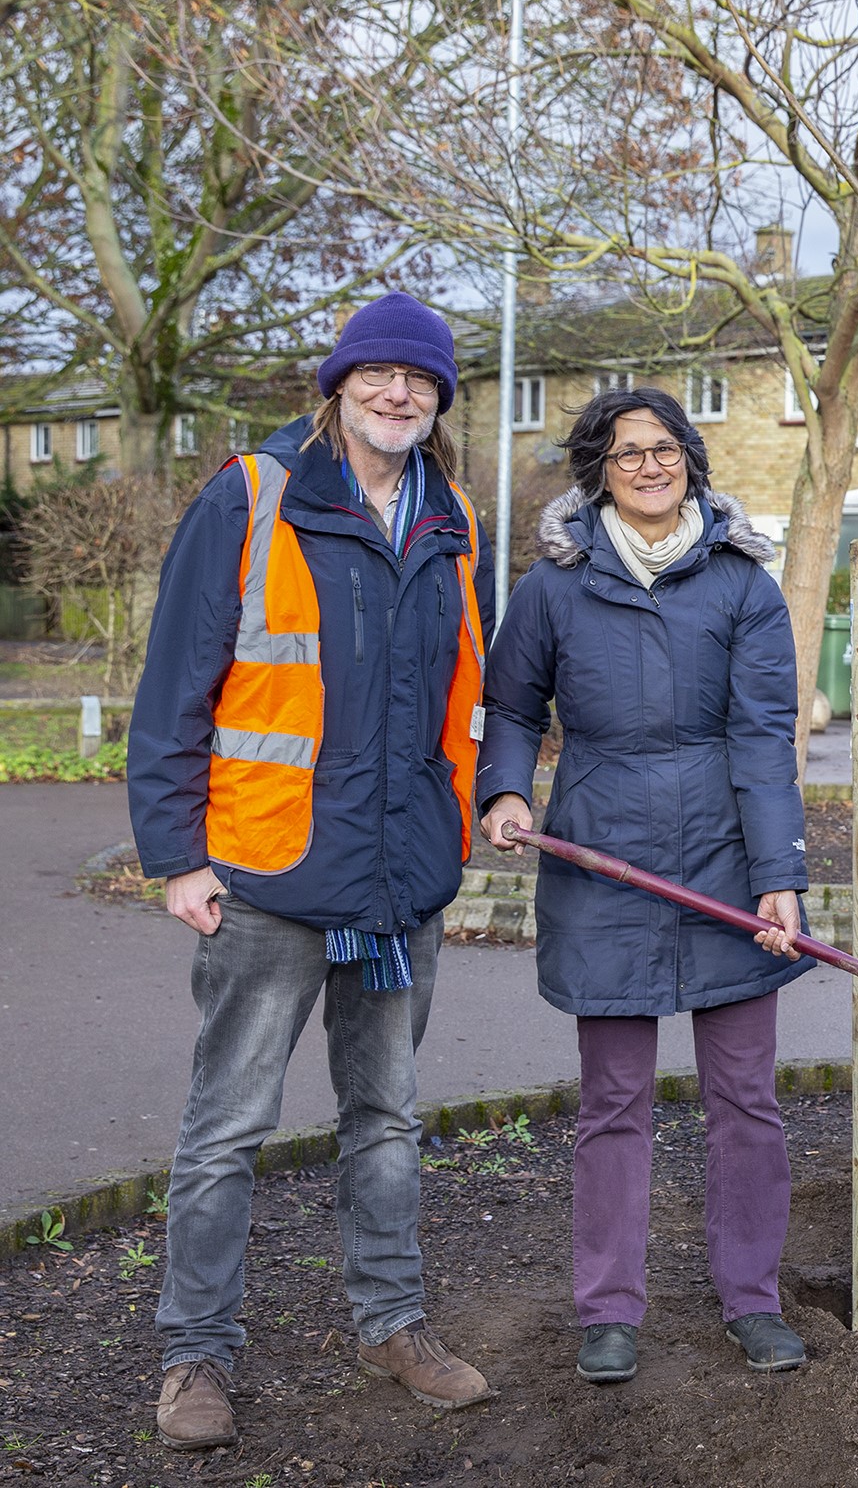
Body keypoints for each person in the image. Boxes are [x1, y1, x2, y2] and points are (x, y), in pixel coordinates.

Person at [127, 292, 495, 1451]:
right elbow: (174, 684)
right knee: (226, 1126)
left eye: (420, 380)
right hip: (267, 874)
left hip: (398, 884)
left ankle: (391, 1322)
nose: (399, 393)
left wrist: (465, 823)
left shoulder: (455, 518)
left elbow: (462, 695)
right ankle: (194, 1354)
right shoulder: (254, 494)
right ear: (339, 382)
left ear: (439, 400)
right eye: (379, 374)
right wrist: (174, 855)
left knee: (385, 1117)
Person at [476, 388, 812, 1386]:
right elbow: (510, 703)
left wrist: (778, 876)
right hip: (601, 856)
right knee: (613, 1097)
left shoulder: (742, 586)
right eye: (628, 453)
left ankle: (753, 1299)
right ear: (596, 469)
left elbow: (762, 737)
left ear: (692, 460)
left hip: (725, 854)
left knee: (745, 1097)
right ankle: (608, 1311)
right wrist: (504, 788)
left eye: (666, 448)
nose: (651, 466)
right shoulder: (552, 588)